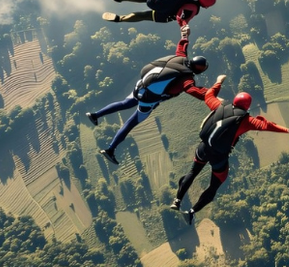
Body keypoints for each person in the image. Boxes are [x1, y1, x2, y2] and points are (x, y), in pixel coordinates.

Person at [171, 81, 289, 224]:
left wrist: (218, 82)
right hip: (219, 157)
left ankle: (177, 201)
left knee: (192, 172)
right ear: (247, 106)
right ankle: (191, 212)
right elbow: (266, 125)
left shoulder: (219, 106)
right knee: (214, 185)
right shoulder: (245, 121)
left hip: (203, 148)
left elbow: (209, 95)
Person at [86, 25, 211, 165]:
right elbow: (193, 90)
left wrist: (185, 34)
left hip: (140, 86)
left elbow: (182, 46)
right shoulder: (186, 79)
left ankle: (95, 115)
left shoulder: (180, 58)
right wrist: (212, 95)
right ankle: (110, 150)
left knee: (124, 104)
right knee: (130, 124)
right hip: (148, 100)